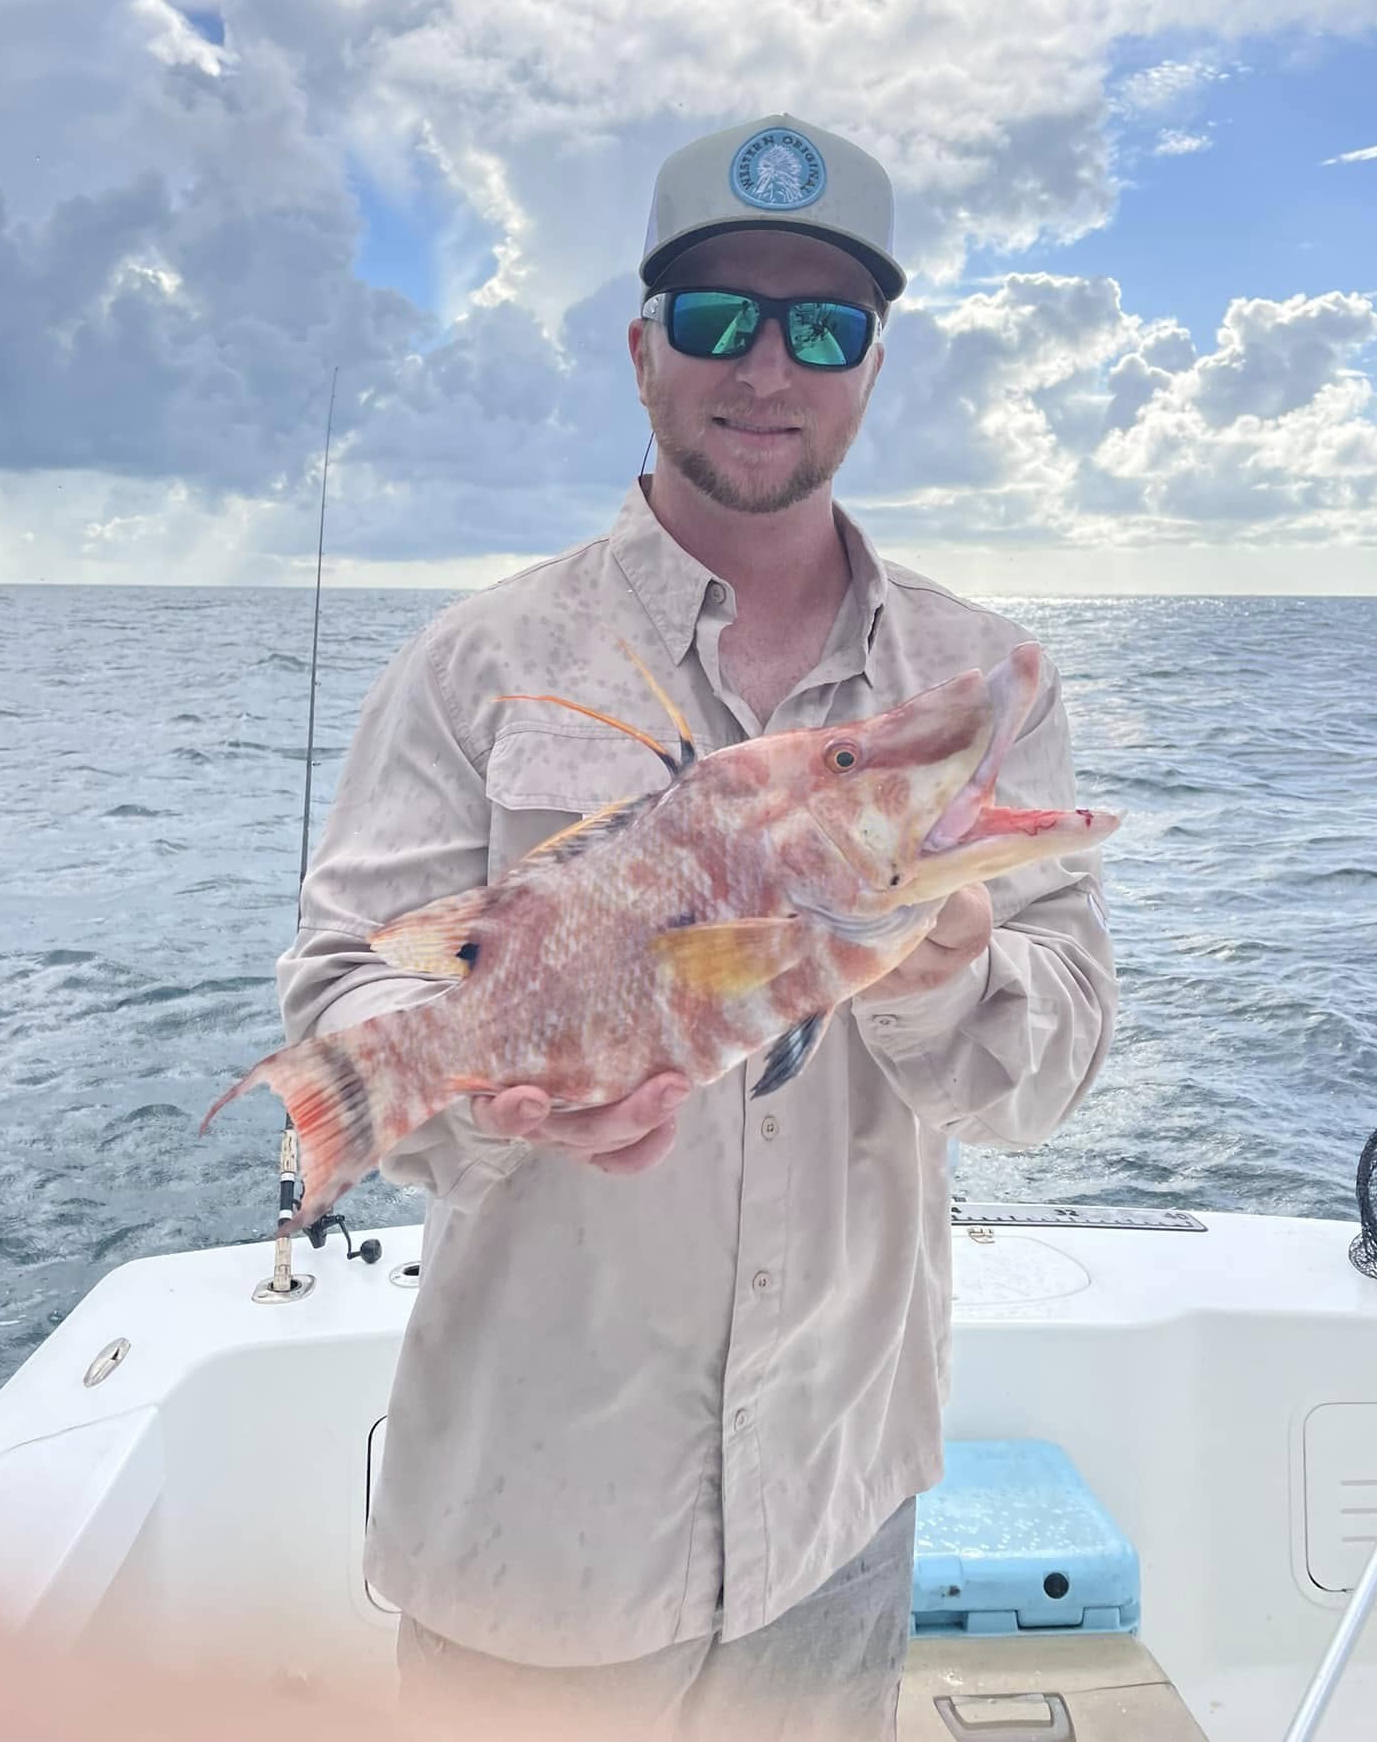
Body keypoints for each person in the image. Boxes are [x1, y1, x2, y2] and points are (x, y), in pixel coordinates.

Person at [275, 113, 1119, 1739]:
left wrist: (940, 960)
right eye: (723, 318)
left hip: (837, 1509)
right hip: (536, 1530)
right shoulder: (477, 659)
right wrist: (501, 1114)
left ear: (876, 362)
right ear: (646, 350)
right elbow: (346, 994)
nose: (769, 367)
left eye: (826, 326)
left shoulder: (979, 687)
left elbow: (1047, 1074)